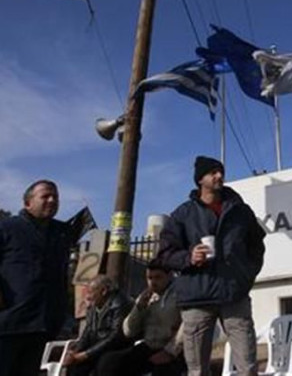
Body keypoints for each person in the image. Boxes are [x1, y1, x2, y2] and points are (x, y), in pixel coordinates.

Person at [157, 156, 266, 376]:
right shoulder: (183, 214)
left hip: (234, 296)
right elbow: (164, 254)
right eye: (213, 172)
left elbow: (257, 247)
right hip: (197, 299)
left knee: (248, 366)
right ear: (200, 180)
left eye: (221, 172)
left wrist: (245, 276)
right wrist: (189, 257)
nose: (219, 176)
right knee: (197, 369)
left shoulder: (240, 211)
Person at [0, 179, 74, 376]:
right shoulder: (6, 229)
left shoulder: (59, 236)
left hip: (38, 330)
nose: (52, 200)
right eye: (45, 196)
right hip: (1, 328)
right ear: (27, 203)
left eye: (55, 197)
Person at [90, 260, 184, 376]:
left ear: (169, 276)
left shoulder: (180, 295)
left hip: (172, 349)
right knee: (109, 361)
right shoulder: (146, 296)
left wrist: (170, 352)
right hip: (149, 346)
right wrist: (138, 308)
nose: (153, 282)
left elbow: (187, 327)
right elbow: (128, 331)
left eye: (158, 278)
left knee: (163, 370)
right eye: (150, 278)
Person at [64, 274, 133, 376]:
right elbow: (88, 331)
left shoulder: (120, 304)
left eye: (91, 292)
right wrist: (76, 352)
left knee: (105, 363)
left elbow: (115, 336)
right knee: (75, 366)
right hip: (97, 347)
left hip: (116, 348)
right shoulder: (94, 306)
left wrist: (86, 354)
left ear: (103, 291)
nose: (88, 296)